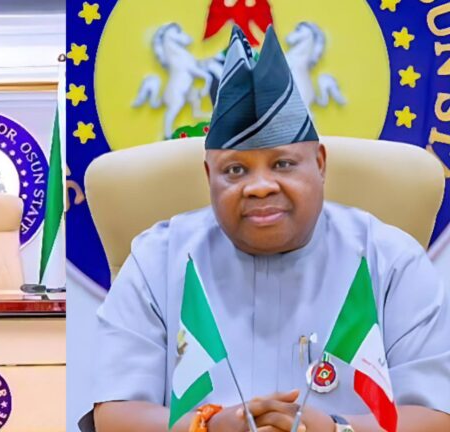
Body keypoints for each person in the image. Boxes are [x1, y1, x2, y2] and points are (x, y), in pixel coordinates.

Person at [81, 26, 450, 432]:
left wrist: (332, 429)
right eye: (235, 170)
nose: (259, 187)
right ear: (208, 176)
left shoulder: (390, 258)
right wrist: (211, 427)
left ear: (320, 164)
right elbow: (115, 415)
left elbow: (436, 416)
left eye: (283, 164)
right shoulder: (158, 259)